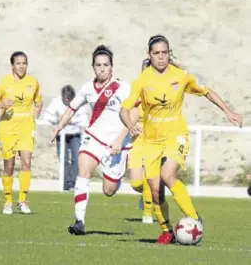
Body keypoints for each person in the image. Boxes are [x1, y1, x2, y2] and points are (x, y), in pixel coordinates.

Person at [120, 34, 243, 244]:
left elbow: (206, 91)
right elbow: (124, 109)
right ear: (149, 55)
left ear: (169, 53)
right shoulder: (142, 81)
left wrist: (228, 111)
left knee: (168, 175)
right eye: (156, 53)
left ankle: (195, 218)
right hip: (151, 141)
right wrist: (130, 125)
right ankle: (167, 230)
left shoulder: (181, 76)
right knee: (156, 191)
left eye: (164, 52)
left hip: (176, 135)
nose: (161, 57)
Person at [52, 45, 135, 235]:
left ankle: (116, 177)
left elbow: (135, 113)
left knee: (109, 190)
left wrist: (121, 138)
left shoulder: (123, 87)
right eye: (98, 65)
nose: (102, 68)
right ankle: (79, 221)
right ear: (93, 67)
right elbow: (72, 108)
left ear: (112, 67)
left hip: (116, 143)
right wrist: (59, 126)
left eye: (106, 65)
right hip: (94, 138)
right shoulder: (87, 88)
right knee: (83, 170)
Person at [0, 51, 43, 215]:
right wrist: (1, 104)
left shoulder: (33, 82)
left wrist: (38, 110)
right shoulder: (3, 83)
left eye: (24, 63)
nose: (22, 66)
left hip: (26, 126)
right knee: (9, 165)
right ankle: (8, 201)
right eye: (18, 63)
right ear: (12, 65)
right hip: (7, 128)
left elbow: (39, 102)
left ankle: (23, 201)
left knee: (26, 161)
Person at [129, 59, 170, 227]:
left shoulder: (163, 93)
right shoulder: (136, 91)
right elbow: (129, 112)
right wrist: (132, 125)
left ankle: (147, 213)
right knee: (135, 183)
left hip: (156, 140)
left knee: (149, 176)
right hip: (137, 141)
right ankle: (145, 195)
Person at [44, 85, 89, 191]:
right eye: (65, 99)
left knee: (76, 159)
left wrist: (71, 120)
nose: (67, 101)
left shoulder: (79, 101)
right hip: (61, 135)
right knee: (63, 160)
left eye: (69, 99)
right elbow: (47, 117)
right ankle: (65, 184)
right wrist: (57, 119)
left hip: (75, 135)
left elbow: (84, 119)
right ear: (62, 96)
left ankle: (73, 183)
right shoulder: (56, 101)